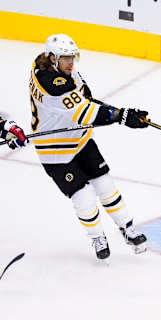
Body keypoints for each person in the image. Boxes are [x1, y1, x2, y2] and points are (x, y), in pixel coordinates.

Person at [29, 34, 148, 262]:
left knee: (105, 184)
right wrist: (121, 117)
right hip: (55, 151)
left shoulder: (60, 68)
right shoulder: (50, 84)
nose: (71, 63)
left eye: (72, 58)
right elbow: (85, 113)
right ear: (53, 58)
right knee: (83, 196)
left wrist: (122, 113)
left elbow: (87, 101)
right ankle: (97, 237)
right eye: (65, 58)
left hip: (80, 139)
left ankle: (127, 228)